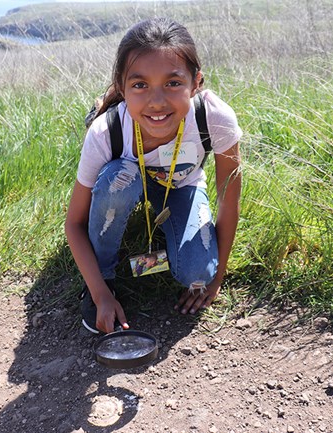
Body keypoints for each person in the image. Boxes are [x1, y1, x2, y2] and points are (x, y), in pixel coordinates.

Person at [65, 17, 242, 334]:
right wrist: (100, 293)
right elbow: (73, 224)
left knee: (198, 274)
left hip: (182, 186)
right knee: (118, 179)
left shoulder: (215, 118)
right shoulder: (106, 132)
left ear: (196, 82)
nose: (157, 102)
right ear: (122, 87)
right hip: (125, 181)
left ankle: (166, 247)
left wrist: (217, 277)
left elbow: (229, 203)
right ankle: (105, 272)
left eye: (173, 83)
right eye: (140, 85)